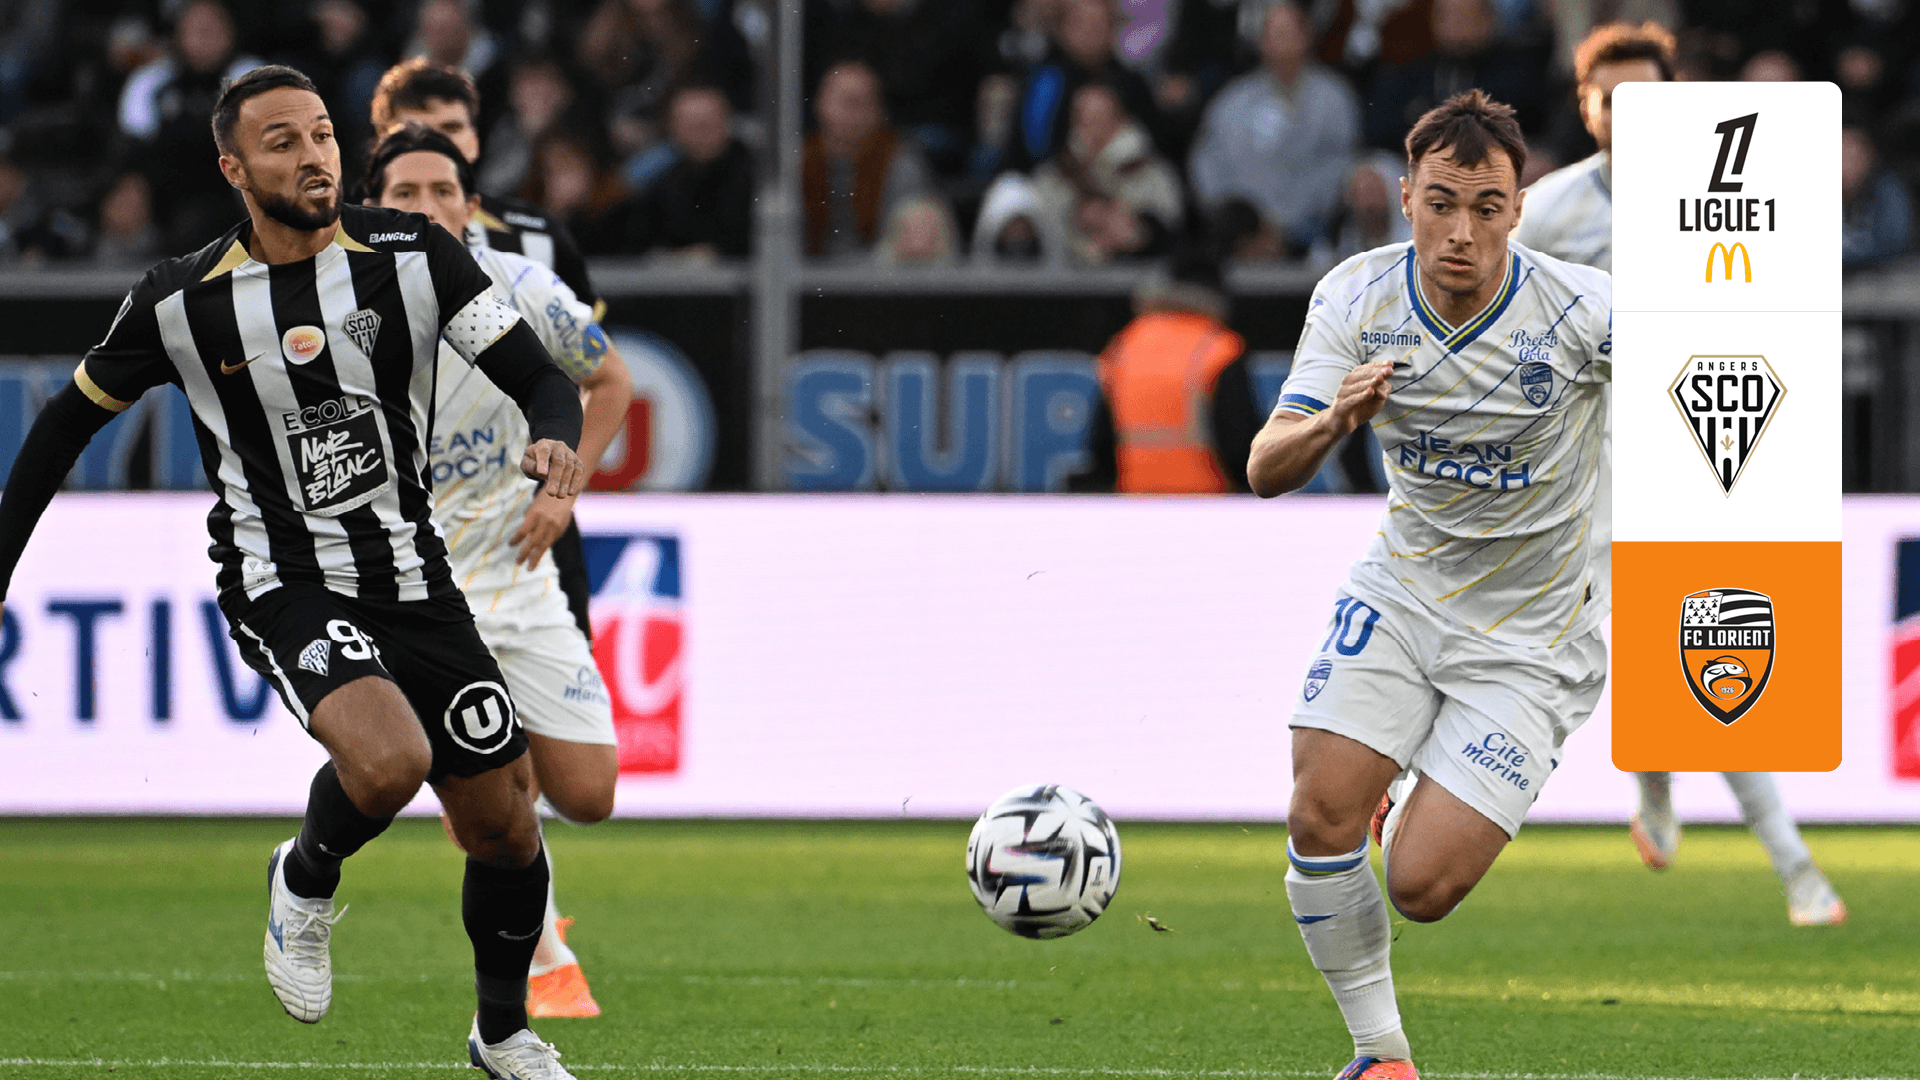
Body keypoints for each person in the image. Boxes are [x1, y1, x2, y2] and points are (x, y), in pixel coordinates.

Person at [0, 66, 588, 1079]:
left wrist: (553, 436)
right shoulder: (181, 300)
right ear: (233, 168)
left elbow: (540, 374)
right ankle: (305, 876)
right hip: (285, 579)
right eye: (282, 142)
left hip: (414, 577)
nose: (314, 155)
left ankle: (503, 1037)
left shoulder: (415, 254)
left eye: (321, 133)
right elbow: (63, 427)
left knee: (504, 827)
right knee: (390, 762)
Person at [1247, 90, 1610, 1080]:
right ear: (1405, 196)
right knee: (1318, 814)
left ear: (1518, 210)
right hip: (1404, 593)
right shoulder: (1356, 299)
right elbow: (1266, 467)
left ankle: (1405, 790)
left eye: (1486, 208)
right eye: (1441, 204)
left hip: (1535, 639)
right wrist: (1334, 421)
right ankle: (1381, 1058)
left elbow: (1712, 374)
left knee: (1421, 887)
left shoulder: (1580, 311)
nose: (1461, 232)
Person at [1512, 22, 1847, 927]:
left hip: (1697, 456)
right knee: (1633, 652)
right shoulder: (1547, 211)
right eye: (1609, 98)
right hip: (1578, 471)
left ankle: (1796, 868)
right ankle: (1667, 792)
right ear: (1585, 108)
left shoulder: (1728, 192)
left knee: (1713, 655)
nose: (1628, 114)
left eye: (1645, 96)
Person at [365, 123, 634, 1019]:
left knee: (589, 795)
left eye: (443, 191)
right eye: (406, 194)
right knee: (492, 797)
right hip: (419, 599)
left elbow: (611, 382)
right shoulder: (340, 304)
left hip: (519, 576)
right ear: (373, 207)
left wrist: (564, 489)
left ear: (471, 206)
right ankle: (539, 961)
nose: (428, 208)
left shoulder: (522, 287)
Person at [370, 59, 602, 645]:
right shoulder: (344, 240)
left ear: (475, 139)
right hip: (398, 529)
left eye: (451, 128)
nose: (434, 143)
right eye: (413, 128)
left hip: (520, 515)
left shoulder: (536, 241)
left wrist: (561, 494)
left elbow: (597, 373)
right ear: (382, 142)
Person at [1069, 245, 1259, 493]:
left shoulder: (1124, 345)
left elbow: (1100, 447)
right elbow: (1240, 447)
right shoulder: (1220, 349)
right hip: (1207, 501)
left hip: (1136, 502)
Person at [1189, 0, 1361, 257]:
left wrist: (1283, 225)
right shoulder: (1232, 99)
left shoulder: (1334, 97)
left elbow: (1340, 165)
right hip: (1240, 235)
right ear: (1261, 41)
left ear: (1307, 36)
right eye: (1274, 33)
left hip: (1309, 234)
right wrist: (1240, 220)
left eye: (1290, 31)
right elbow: (1207, 162)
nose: (1283, 41)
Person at [801, 58, 941, 260]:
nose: (852, 114)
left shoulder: (899, 162)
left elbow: (914, 244)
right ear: (819, 104)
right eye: (845, 102)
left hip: (882, 275)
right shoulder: (797, 161)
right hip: (801, 274)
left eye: (863, 103)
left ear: (879, 112)